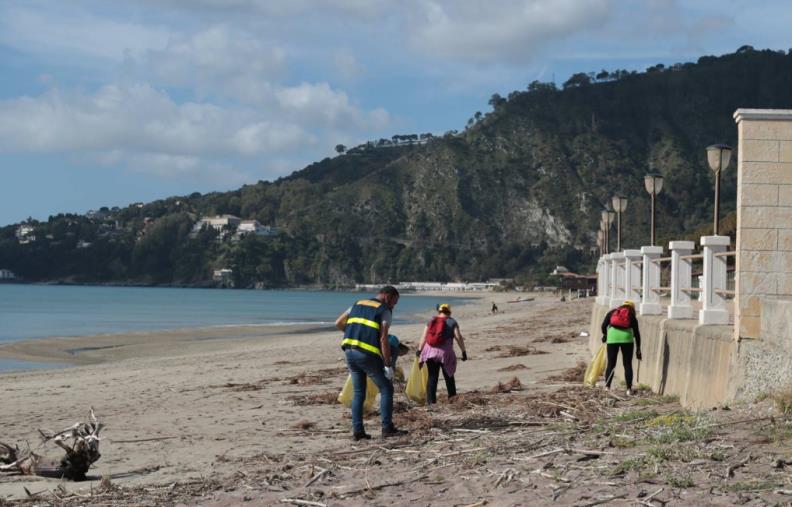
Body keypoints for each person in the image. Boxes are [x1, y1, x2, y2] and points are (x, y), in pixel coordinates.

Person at [335, 286, 408, 440]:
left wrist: (355, 334)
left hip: (349, 352)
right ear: (387, 296)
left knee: (359, 393)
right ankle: (387, 428)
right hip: (367, 355)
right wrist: (388, 365)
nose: (393, 306)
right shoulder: (384, 311)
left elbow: (338, 322)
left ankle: (358, 431)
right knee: (386, 389)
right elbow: (383, 339)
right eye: (394, 302)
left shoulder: (357, 304)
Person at [417, 303, 468, 404]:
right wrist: (463, 351)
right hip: (445, 354)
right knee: (449, 376)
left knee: (432, 377)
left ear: (439, 311)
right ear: (449, 312)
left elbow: (424, 336)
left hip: (430, 352)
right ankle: (452, 399)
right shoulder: (452, 322)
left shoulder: (431, 321)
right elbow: (458, 337)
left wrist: (419, 350)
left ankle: (431, 402)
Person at [600, 300, 642, 395]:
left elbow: (603, 326)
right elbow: (637, 334)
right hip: (627, 339)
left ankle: (607, 387)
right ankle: (628, 389)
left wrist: (605, 334)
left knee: (611, 364)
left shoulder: (612, 312)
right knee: (627, 364)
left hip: (612, 338)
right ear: (632, 308)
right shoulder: (631, 315)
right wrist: (638, 349)